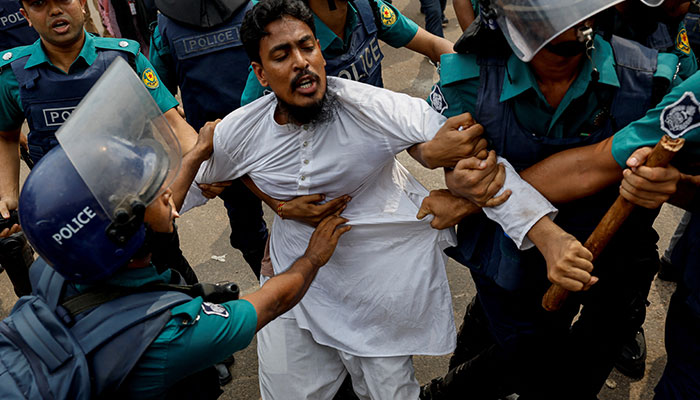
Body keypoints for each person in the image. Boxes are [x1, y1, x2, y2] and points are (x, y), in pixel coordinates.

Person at [182, 0, 598, 398]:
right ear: (260, 72)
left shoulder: (370, 107)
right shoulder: (242, 130)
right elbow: (178, 199)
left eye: (307, 46)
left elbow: (480, 167)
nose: (301, 62)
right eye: (282, 54)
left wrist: (547, 237)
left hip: (377, 289)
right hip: (295, 286)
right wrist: (196, 161)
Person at [3, 58, 349, 399]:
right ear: (122, 235)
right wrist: (313, 258)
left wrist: (196, 154)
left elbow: (154, 218)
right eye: (151, 192)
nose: (166, 192)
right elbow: (272, 303)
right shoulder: (169, 334)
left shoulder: (64, 262)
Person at [421, 0, 682, 398]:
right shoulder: (467, 80)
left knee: (591, 358)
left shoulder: (655, 78)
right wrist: (438, 160)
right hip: (510, 260)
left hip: (614, 255)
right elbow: (432, 148)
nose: (565, 22)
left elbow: (683, 166)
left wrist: (672, 180)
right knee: (526, 357)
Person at [0, 0, 197, 274]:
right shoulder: (12, 76)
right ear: (26, 17)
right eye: (39, 4)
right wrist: (9, 196)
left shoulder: (125, 59)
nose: (55, 10)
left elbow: (175, 128)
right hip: (69, 228)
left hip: (138, 216)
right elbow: (6, 135)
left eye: (64, 0)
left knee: (176, 292)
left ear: (82, 3)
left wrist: (208, 166)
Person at [148, 0, 269, 277]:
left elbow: (160, 93)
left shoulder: (165, 26)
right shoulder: (256, 7)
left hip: (216, 150)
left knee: (248, 229)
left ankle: (273, 290)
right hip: (268, 134)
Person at [239, 0, 454, 104]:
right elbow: (247, 126)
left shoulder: (368, 8)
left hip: (380, 141)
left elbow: (435, 46)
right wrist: (272, 194)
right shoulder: (286, 36)